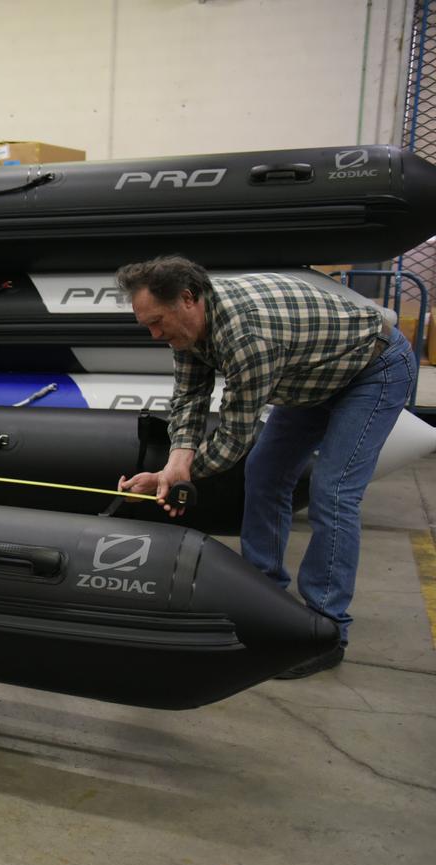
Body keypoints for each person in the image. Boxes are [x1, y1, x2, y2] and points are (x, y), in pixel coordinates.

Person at [114, 255, 416, 678]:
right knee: (265, 473)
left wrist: (179, 476)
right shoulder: (187, 328)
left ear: (188, 299)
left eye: (158, 321)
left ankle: (325, 630)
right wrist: (173, 465)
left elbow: (234, 437)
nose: (154, 333)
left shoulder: (247, 335)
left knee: (333, 491)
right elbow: (189, 398)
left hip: (372, 370)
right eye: (146, 324)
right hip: (310, 377)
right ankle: (264, 596)